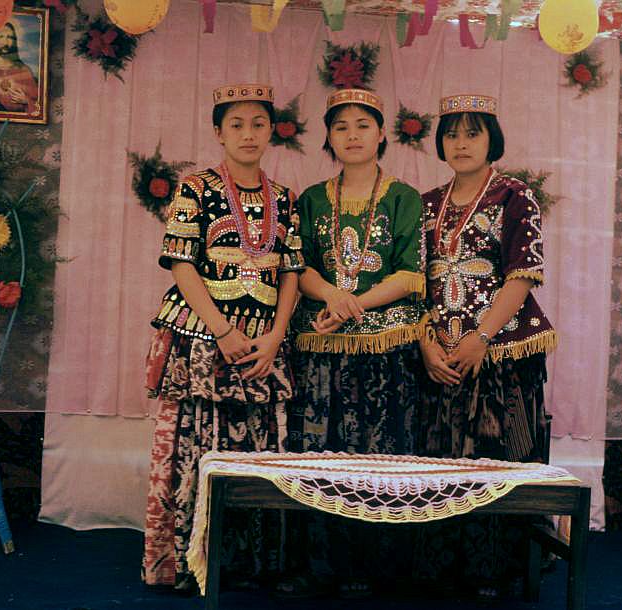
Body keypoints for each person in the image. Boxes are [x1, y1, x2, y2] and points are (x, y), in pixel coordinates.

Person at [142, 83, 303, 592]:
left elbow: (291, 273)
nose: (248, 134)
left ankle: (252, 564)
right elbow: (182, 265)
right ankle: (190, 562)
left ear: (271, 131)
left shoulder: (285, 198)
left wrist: (276, 337)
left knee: (260, 448)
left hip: (265, 342)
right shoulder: (196, 188)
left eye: (258, 124)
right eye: (236, 124)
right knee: (197, 444)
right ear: (218, 132)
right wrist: (223, 330)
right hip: (204, 335)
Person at [283, 88, 425, 598]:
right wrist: (332, 296)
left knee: (379, 454)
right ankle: (320, 566)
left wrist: (353, 303)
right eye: (340, 126)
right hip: (322, 346)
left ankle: (378, 568)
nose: (352, 135)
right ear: (328, 137)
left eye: (363, 125)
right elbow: (299, 266)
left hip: (385, 349)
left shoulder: (404, 198)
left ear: (382, 133)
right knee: (319, 454)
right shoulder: (312, 199)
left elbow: (410, 273)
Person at [415, 93, 558, 599]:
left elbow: (522, 275)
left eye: (472, 133)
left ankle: (493, 569)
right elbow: (416, 284)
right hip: (439, 353)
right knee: (437, 459)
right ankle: (439, 566)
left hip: (500, 351)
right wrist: (427, 345)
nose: (461, 144)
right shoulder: (426, 204)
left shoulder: (515, 196)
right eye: (452, 134)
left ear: (491, 139)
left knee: (494, 460)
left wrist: (480, 339)